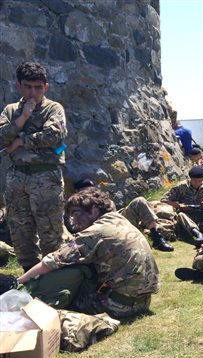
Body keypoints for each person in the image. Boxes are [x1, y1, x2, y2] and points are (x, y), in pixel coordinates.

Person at [2, 188, 160, 319]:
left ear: (94, 210)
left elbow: (52, 261)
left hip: (119, 306)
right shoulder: (120, 220)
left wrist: (18, 282)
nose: (74, 220)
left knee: (73, 276)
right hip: (143, 302)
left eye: (77, 213)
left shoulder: (95, 231)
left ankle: (22, 303)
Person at [0, 62, 67, 271]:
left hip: (45, 177)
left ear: (45, 87)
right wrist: (23, 118)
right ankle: (29, 276)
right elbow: (2, 136)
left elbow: (54, 135)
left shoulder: (53, 109)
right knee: (21, 232)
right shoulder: (11, 110)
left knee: (51, 232)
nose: (33, 92)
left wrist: (21, 141)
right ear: (18, 85)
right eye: (28, 87)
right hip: (17, 178)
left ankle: (54, 277)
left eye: (38, 87)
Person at [72, 178, 173, 252]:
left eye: (91, 189)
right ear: (77, 192)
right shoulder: (74, 207)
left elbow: (113, 214)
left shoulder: (102, 200)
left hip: (118, 223)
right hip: (98, 233)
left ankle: (156, 237)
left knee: (139, 201)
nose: (90, 193)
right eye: (86, 190)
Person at [161, 165, 203, 245]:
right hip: (186, 215)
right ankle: (198, 234)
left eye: (199, 181)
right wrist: (179, 206)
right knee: (181, 215)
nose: (196, 183)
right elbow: (164, 199)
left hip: (202, 214)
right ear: (190, 179)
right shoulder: (182, 186)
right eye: (194, 180)